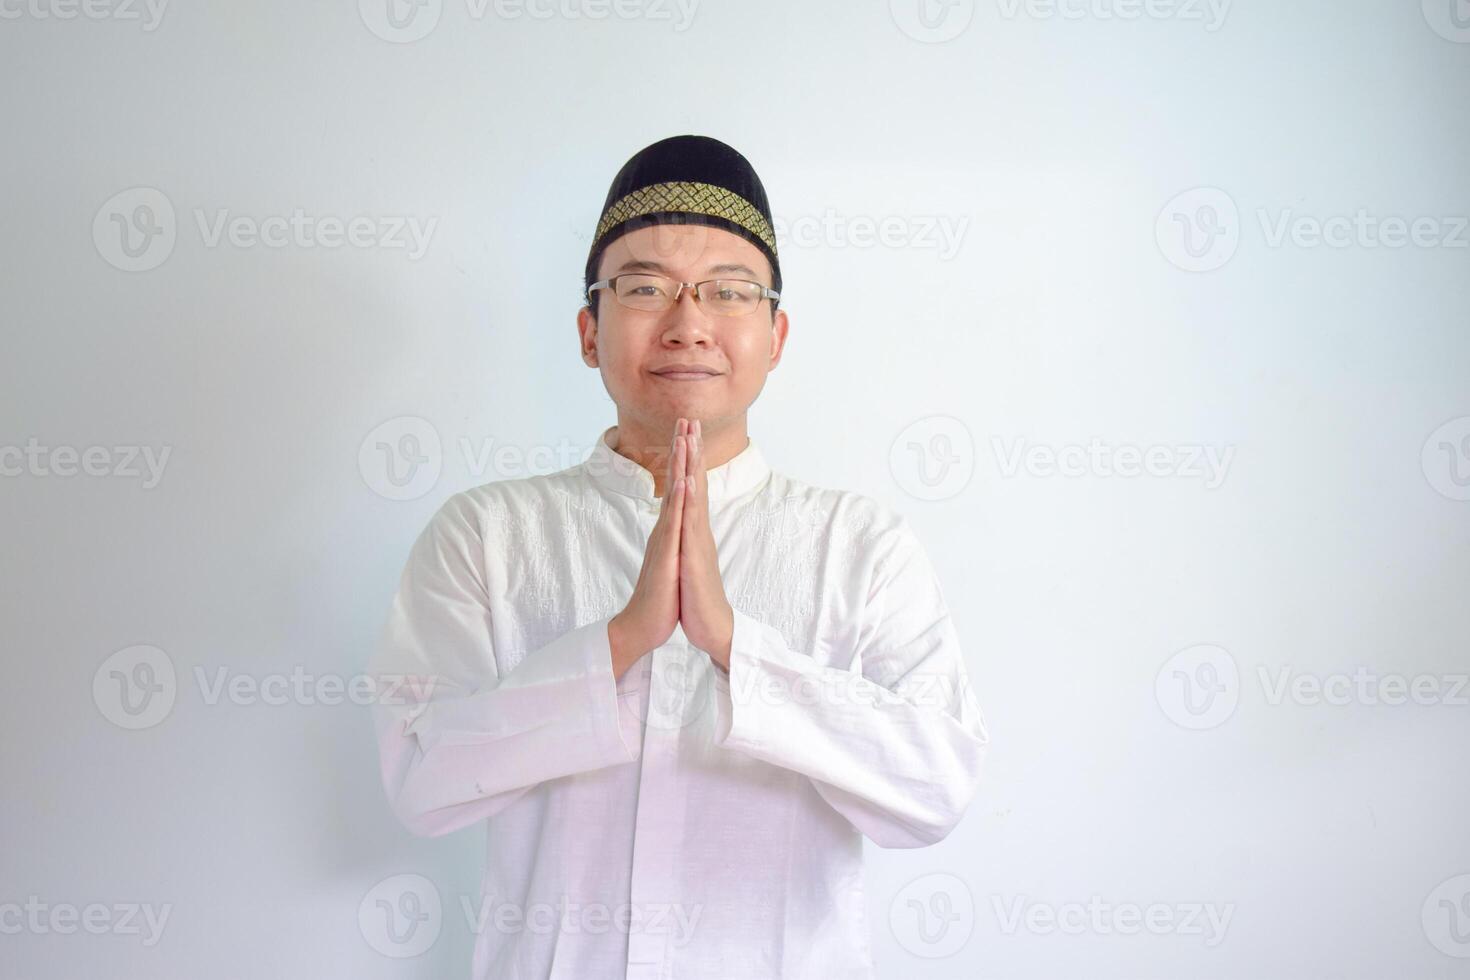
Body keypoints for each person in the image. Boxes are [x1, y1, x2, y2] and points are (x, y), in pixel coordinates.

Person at [367, 134, 990, 980]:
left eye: (728, 292)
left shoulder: (860, 546)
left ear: (776, 336)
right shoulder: (487, 535)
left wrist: (737, 646)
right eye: (645, 287)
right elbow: (420, 779)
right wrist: (619, 641)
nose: (689, 322)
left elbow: (935, 788)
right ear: (590, 331)